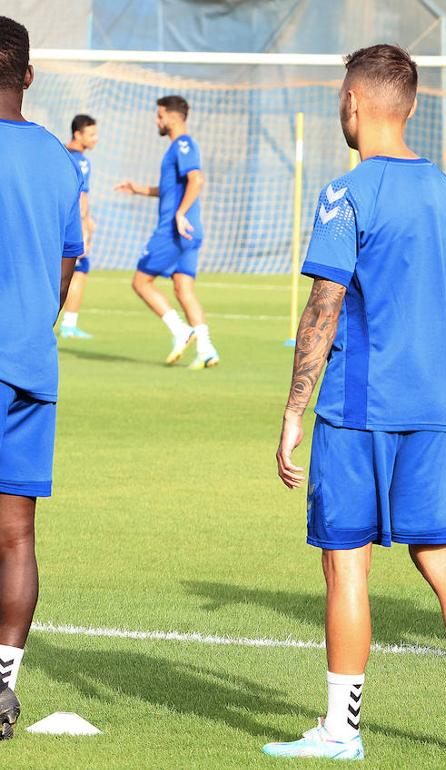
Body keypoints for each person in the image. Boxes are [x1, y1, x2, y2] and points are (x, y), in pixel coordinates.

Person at [264, 44, 446, 761]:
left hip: (356, 409)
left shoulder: (349, 192)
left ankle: (341, 733)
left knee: (347, 564)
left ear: (352, 103)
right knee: (443, 559)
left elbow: (324, 304)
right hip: (430, 414)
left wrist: (292, 412)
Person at [0, 14, 86, 739]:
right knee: (16, 534)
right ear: (28, 75)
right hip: (31, 363)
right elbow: (66, 265)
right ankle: (2, 688)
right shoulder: (61, 160)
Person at [115, 94, 220, 369]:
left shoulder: (183, 144)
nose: (156, 120)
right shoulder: (177, 148)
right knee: (183, 288)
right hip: (190, 231)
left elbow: (197, 180)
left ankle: (181, 331)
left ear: (172, 117)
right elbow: (173, 189)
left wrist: (180, 214)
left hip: (174, 230)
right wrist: (140, 189)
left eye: (159, 115)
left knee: (140, 282)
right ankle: (207, 350)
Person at [60, 113, 98, 340]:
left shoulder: (60, 153)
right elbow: (81, 198)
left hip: (55, 219)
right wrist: (85, 229)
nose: (96, 139)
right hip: (72, 225)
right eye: (91, 134)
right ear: (78, 134)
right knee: (79, 270)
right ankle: (68, 325)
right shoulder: (82, 160)